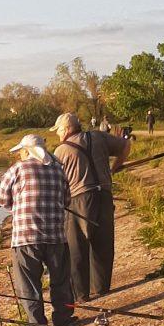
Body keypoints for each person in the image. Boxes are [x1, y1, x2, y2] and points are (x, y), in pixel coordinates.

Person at [0, 133, 75, 326]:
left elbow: (2, 199)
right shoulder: (59, 169)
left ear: (26, 151)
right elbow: (67, 200)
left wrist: (18, 206)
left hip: (25, 237)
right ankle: (63, 319)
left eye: (21, 151)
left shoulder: (17, 169)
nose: (20, 155)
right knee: (60, 281)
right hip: (56, 236)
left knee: (29, 284)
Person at [51, 112, 130, 302]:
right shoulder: (99, 137)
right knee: (103, 243)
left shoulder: (61, 151)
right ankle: (102, 289)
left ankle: (81, 294)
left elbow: (55, 180)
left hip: (78, 199)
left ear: (67, 129)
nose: (58, 135)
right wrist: (115, 167)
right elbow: (126, 145)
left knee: (76, 247)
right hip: (104, 194)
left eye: (59, 131)